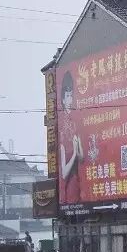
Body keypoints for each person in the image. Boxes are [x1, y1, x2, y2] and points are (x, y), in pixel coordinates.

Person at [57, 71, 84, 205]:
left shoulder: (76, 122)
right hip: (68, 189)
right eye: (67, 96)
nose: (70, 99)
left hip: (78, 182)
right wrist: (74, 153)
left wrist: (77, 150)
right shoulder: (62, 138)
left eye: (71, 96)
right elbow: (64, 173)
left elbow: (82, 157)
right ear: (63, 99)